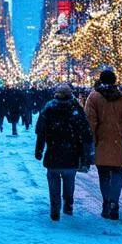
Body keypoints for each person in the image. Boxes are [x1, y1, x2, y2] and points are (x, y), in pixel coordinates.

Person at [34, 84, 92, 221]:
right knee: (69, 180)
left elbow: (40, 132)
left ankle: (55, 208)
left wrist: (39, 150)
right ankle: (68, 204)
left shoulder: (49, 109)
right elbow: (86, 134)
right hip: (71, 153)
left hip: (53, 152)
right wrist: (85, 156)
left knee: (53, 181)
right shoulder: (76, 109)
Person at [85, 69, 122, 221]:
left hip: (102, 142)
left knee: (104, 175)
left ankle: (106, 202)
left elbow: (90, 122)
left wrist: (94, 136)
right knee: (118, 175)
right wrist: (120, 130)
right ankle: (115, 201)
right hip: (119, 142)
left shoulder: (94, 97)